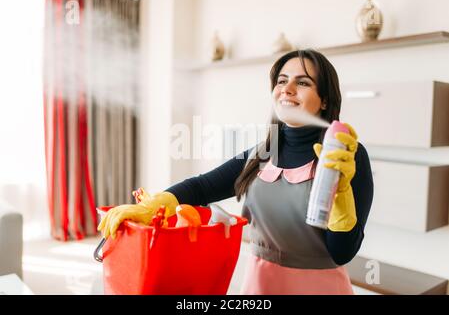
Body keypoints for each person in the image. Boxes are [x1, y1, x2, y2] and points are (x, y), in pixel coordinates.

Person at [98, 49, 374, 295]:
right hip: (259, 286)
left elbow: (343, 253)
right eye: (281, 80)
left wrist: (340, 196)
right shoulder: (263, 153)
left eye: (302, 82)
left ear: (324, 100)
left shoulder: (345, 156)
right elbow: (201, 188)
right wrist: (155, 205)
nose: (287, 89)